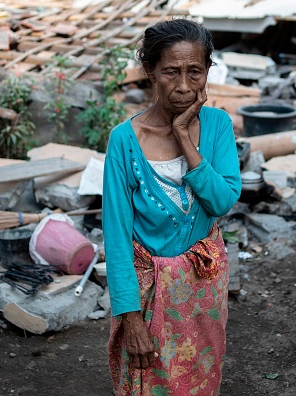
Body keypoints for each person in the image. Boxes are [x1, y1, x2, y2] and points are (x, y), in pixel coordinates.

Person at [102, 18, 242, 396]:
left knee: (199, 374)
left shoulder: (216, 125)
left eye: (195, 72)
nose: (183, 86)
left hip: (203, 283)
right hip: (145, 288)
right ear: (150, 71)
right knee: (147, 378)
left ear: (208, 71)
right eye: (170, 72)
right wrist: (129, 316)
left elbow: (222, 200)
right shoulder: (124, 141)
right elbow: (116, 236)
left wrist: (183, 135)